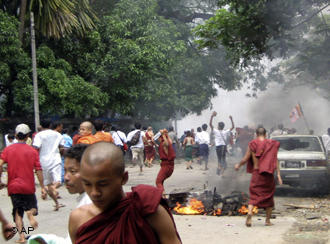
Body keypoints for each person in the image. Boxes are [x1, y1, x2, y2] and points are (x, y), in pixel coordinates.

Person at [68, 142, 181, 244]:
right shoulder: (78, 219)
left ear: (124, 178)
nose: (94, 193)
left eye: (103, 184)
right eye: (87, 184)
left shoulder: (147, 209)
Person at [27, 144, 92, 244]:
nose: (66, 177)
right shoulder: (87, 200)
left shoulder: (89, 206)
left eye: (73, 171)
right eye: (65, 170)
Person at [0, 124, 46, 243]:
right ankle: (30, 213)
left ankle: (21, 237)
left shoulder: (7, 149)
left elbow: (0, 164)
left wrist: (0, 179)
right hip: (28, 186)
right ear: (27, 136)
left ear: (15, 135)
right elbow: (38, 169)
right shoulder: (32, 151)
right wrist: (42, 187)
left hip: (14, 186)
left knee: (17, 213)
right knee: (33, 208)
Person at [235, 127, 282, 227]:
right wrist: (278, 174)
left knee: (254, 196)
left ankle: (250, 213)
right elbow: (275, 159)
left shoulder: (253, 144)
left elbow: (245, 158)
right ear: (265, 135)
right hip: (268, 175)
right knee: (269, 198)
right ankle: (267, 221)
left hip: (257, 173)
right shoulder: (272, 144)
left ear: (256, 134)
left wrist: (238, 165)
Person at [33, 120, 65, 211]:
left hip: (43, 161)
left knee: (49, 184)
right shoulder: (58, 135)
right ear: (50, 125)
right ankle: (56, 199)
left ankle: (53, 197)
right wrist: (60, 155)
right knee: (58, 181)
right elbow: (62, 148)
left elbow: (36, 147)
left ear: (41, 126)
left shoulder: (39, 135)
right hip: (56, 159)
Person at [209, 111, 235, 175]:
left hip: (218, 147)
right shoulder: (225, 131)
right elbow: (233, 127)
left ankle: (219, 168)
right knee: (223, 158)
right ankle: (221, 170)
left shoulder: (215, 131)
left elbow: (210, 124)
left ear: (218, 126)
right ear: (223, 126)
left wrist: (212, 116)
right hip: (223, 146)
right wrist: (231, 119)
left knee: (219, 158)